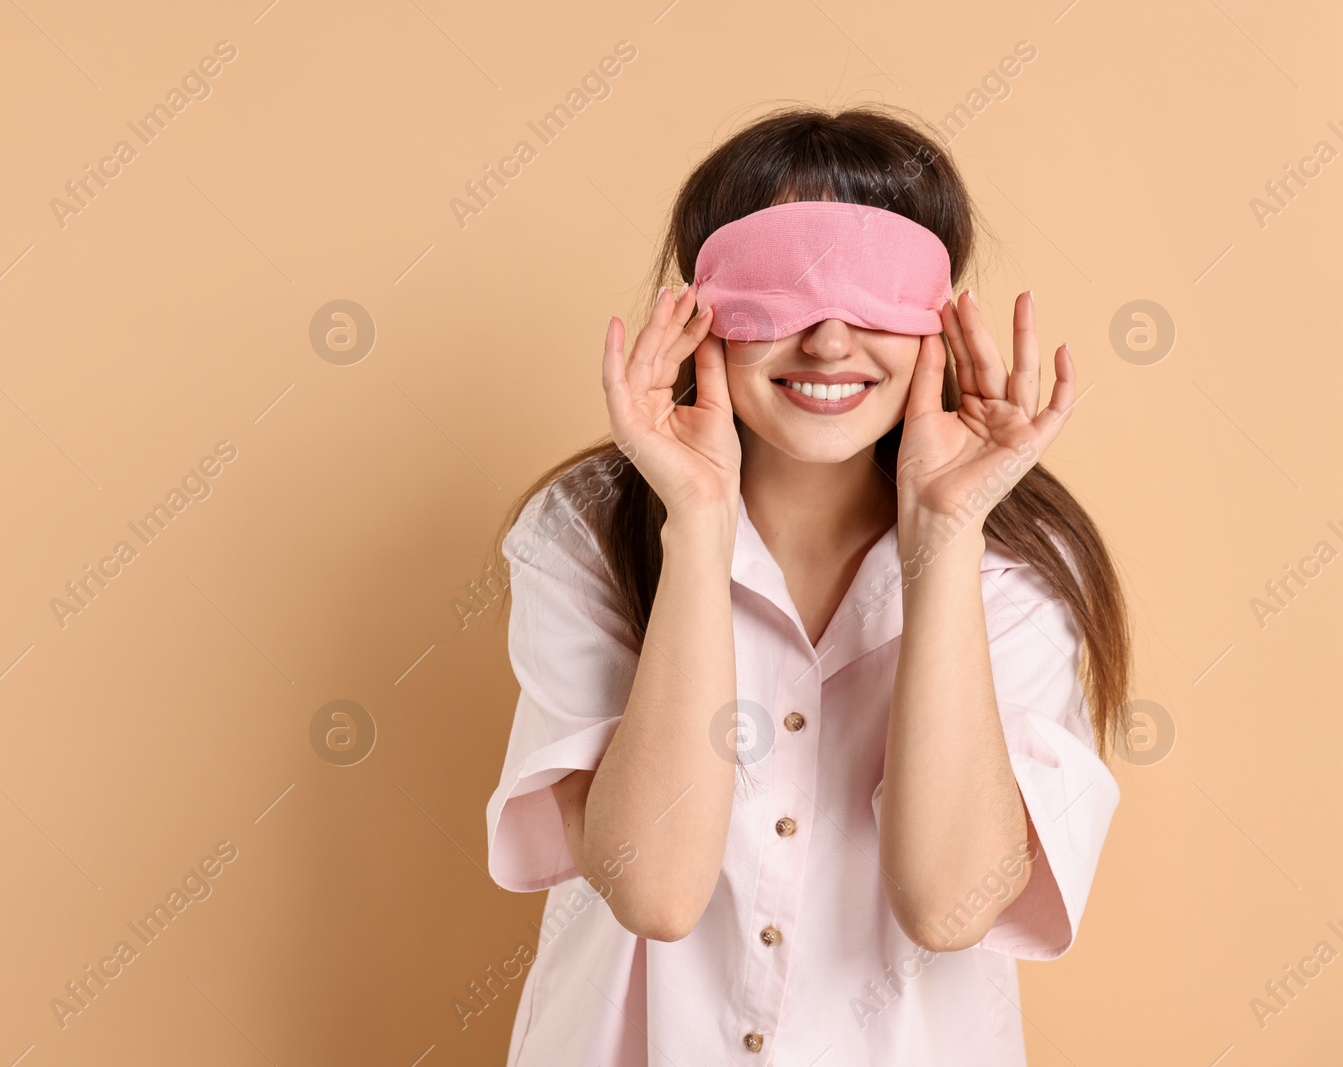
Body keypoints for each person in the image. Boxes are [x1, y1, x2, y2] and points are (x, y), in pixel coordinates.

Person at [481, 104, 1131, 1066]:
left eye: (875, 292)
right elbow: (653, 890)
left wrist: (946, 537)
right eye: (780, 291)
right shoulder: (583, 530)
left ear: (941, 321)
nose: (829, 339)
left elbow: (950, 903)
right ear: (698, 305)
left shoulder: (1023, 561)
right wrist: (698, 523)